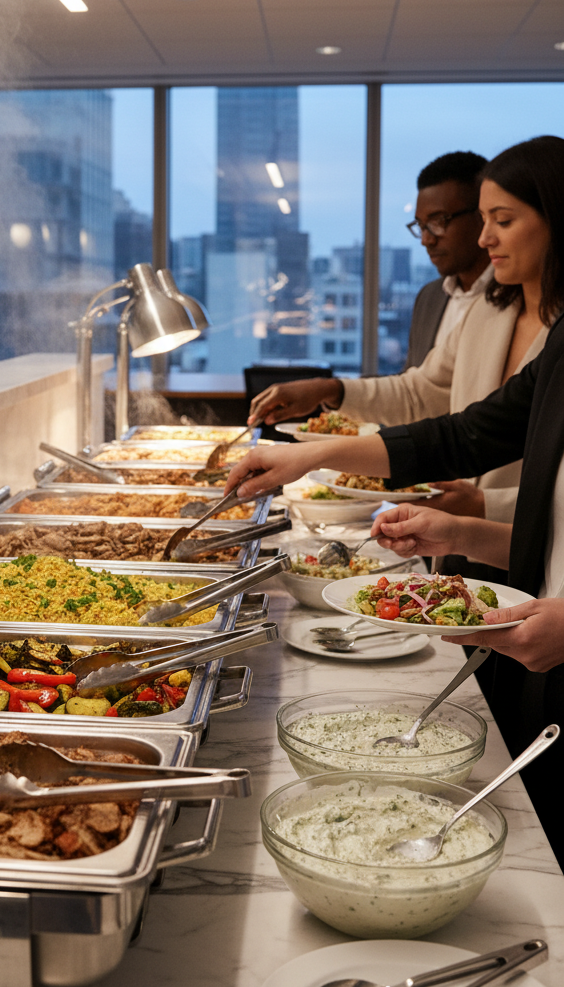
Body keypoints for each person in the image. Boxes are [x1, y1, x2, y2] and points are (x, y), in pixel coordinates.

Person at [225, 135, 564, 861]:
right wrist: (310, 455)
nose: (481, 238)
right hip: (538, 616)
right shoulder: (553, 343)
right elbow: (461, 434)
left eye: (501, 219)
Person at [248, 151, 548, 580]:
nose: (486, 239)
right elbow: (450, 425)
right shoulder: (488, 309)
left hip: (534, 560)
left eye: (501, 221)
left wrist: (483, 506)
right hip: (463, 547)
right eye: (484, 221)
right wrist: (319, 429)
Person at [403, 151, 491, 369]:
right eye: (421, 226)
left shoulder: (521, 297)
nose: (426, 240)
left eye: (438, 221)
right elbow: (410, 388)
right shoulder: (428, 298)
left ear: (482, 215)